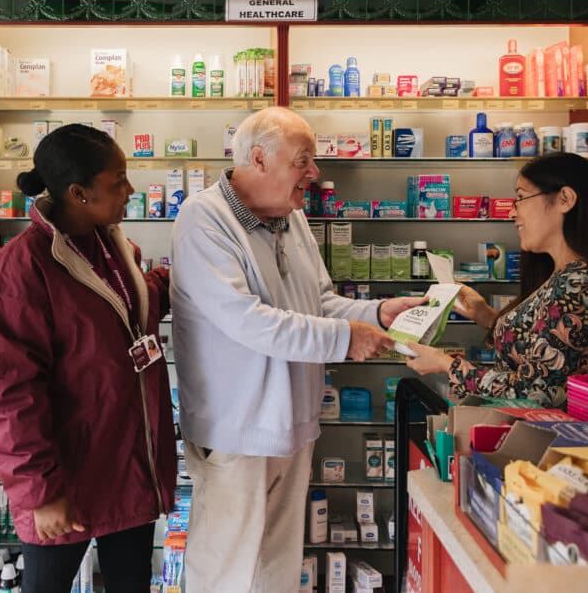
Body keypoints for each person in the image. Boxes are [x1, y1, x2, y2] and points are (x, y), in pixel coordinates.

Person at [170, 106, 425, 592]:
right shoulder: (203, 219)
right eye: (303, 160)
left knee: (277, 570)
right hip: (238, 431)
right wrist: (346, 338)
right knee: (225, 571)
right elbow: (247, 321)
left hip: (293, 424)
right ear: (260, 159)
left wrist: (375, 314)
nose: (315, 173)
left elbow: (318, 301)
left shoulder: (292, 218)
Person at [0, 124, 175, 593]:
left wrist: (178, 280)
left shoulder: (111, 245)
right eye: (118, 180)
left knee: (131, 585)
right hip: (65, 480)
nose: (130, 190)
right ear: (78, 193)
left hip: (127, 465)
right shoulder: (23, 269)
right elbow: (6, 392)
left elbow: (128, 309)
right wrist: (41, 493)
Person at [404, 152, 588, 408]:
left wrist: (447, 364)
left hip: (556, 441)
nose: (512, 213)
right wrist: (485, 316)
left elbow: (538, 393)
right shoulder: (562, 274)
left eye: (520, 197)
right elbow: (539, 349)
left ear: (565, 199)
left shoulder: (580, 283)